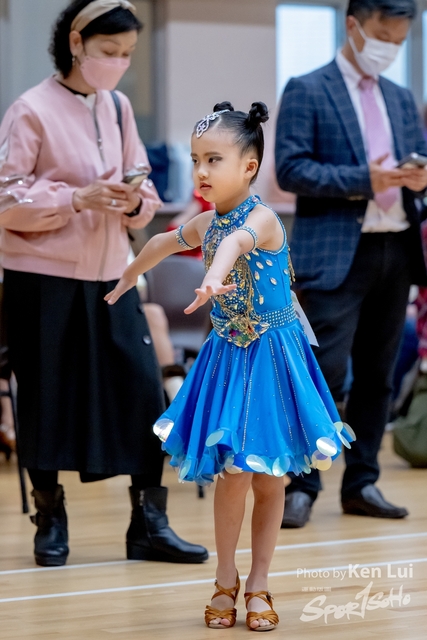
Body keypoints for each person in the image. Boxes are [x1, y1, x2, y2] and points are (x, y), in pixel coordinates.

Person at [105, 101, 355, 631]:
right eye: (196, 159)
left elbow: (237, 245)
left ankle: (260, 582)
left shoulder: (261, 219)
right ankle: (225, 577)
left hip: (273, 357)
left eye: (213, 160)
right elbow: (164, 241)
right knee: (233, 471)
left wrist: (215, 276)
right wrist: (128, 275)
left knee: (269, 475)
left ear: (249, 166)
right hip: (228, 355)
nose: (201, 171)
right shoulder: (208, 220)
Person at [0, 0, 207, 567]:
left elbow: (144, 186)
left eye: (128, 54)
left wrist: (136, 200)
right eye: (109, 51)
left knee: (142, 389)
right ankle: (50, 517)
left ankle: (149, 523)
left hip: (114, 270)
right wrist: (75, 198)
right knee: (45, 394)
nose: (119, 63)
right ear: (76, 42)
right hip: (42, 276)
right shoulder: (29, 110)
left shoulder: (118, 108)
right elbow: (6, 199)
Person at [275, 0, 427, 528]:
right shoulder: (307, 88)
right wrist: (365, 179)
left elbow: (413, 162)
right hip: (335, 252)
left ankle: (362, 482)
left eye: (400, 41)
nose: (391, 48)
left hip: (397, 248)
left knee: (378, 377)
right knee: (324, 373)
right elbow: (290, 169)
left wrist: (417, 177)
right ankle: (302, 485)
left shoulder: (401, 98)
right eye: (384, 35)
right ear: (355, 25)